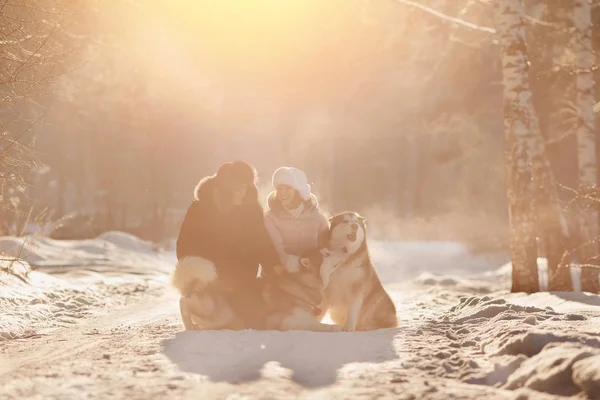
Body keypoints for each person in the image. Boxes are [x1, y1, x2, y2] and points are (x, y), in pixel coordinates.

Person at [172, 161, 281, 329]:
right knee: (214, 317)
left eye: (246, 188)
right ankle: (192, 302)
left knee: (256, 320)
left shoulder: (251, 209)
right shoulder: (200, 208)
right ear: (225, 190)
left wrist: (274, 265)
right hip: (209, 278)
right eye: (238, 189)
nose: (243, 193)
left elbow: (261, 241)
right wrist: (195, 277)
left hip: (241, 277)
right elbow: (185, 244)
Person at [264, 166, 330, 273]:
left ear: (299, 190)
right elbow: (279, 251)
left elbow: (326, 247)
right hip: (283, 276)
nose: (283, 193)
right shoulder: (271, 218)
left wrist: (316, 263)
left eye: (288, 188)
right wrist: (301, 265)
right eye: (280, 189)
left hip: (314, 274)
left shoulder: (317, 216)